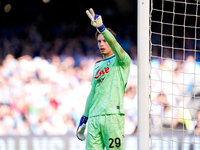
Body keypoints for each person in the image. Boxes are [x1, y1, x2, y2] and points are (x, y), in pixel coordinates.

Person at [76, 8, 131, 150]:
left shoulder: (122, 61)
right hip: (94, 118)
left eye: (105, 41)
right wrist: (85, 117)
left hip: (113, 116)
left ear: (111, 42)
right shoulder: (97, 66)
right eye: (99, 41)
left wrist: (102, 28)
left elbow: (115, 46)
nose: (101, 44)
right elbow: (93, 92)